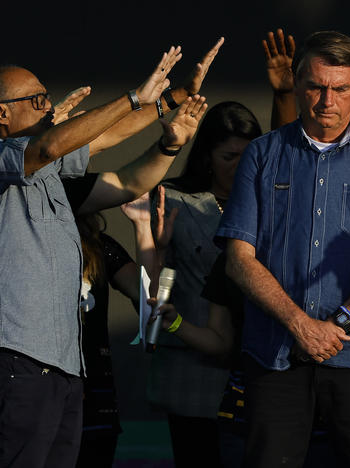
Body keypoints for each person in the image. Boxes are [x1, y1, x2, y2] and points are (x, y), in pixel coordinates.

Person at [216, 30, 350, 468]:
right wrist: (301, 325)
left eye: (340, 89)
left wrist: (343, 320)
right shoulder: (261, 154)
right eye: (315, 86)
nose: (326, 101)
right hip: (275, 354)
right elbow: (238, 259)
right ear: (296, 84)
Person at [0, 45, 183, 467]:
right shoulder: (15, 157)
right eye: (36, 100)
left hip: (64, 365)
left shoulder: (48, 164)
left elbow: (106, 136)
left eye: (48, 97)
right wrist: (134, 97)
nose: (48, 107)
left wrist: (168, 99)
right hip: (20, 360)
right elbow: (47, 149)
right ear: (3, 114)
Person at [59, 95, 209, 468]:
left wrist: (144, 231)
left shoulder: (98, 247)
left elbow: (150, 315)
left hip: (92, 404)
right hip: (37, 396)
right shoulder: (15, 229)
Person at [145, 101, 262, 468]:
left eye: (248, 155)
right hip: (195, 366)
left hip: (260, 365)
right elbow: (154, 292)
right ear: (208, 156)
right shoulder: (174, 200)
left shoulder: (269, 203)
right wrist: (159, 253)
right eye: (229, 156)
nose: (240, 166)